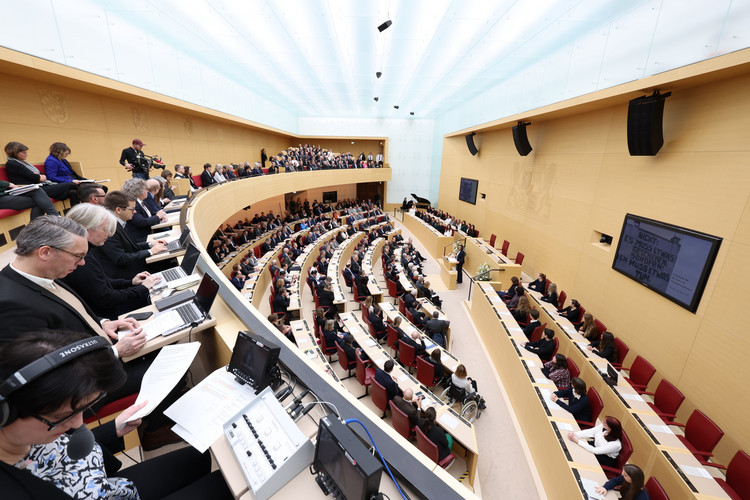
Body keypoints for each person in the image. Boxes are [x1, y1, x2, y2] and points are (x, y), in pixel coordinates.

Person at [0, 329, 233, 500]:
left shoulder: (27, 431)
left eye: (82, 410)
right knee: (223, 487)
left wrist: (115, 428)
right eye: (62, 417)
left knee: (197, 458)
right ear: (5, 413)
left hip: (109, 488)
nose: (77, 423)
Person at [61, 204, 160, 320]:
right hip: (111, 315)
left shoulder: (87, 251)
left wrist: (131, 282)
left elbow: (102, 283)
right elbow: (106, 299)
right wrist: (142, 288)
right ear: (86, 229)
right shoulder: (80, 259)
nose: (109, 234)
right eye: (105, 229)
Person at [93, 191, 167, 280]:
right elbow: (120, 258)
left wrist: (150, 244)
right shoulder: (108, 228)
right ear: (118, 210)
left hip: (133, 267)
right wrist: (150, 252)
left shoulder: (118, 222)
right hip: (128, 275)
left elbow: (128, 246)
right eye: (132, 209)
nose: (135, 212)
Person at [4, 141, 76, 205]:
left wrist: (40, 177)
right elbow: (35, 177)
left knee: (73, 192)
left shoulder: (24, 163)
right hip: (33, 189)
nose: (26, 155)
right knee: (71, 185)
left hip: (40, 186)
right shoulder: (12, 164)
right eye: (23, 153)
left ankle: (77, 216)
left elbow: (41, 175)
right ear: (14, 153)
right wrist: (39, 177)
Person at [121, 178, 167, 243]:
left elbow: (151, 215)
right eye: (145, 189)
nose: (148, 191)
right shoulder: (133, 204)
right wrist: (158, 216)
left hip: (150, 234)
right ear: (138, 191)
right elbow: (141, 222)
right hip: (143, 239)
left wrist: (160, 215)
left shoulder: (142, 202)